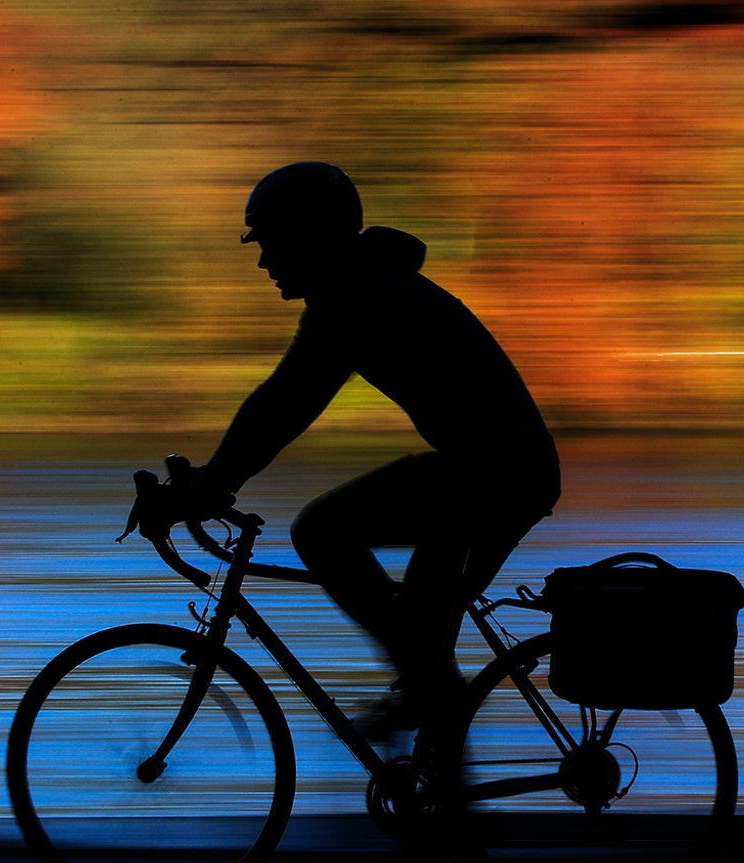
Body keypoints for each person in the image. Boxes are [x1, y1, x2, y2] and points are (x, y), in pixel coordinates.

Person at [187, 162, 561, 739]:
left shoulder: (354, 294)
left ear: (307, 235)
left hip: (492, 474)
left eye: (270, 243)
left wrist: (215, 481)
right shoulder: (367, 283)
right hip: (496, 471)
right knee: (423, 645)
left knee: (322, 531)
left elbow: (288, 400)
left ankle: (429, 692)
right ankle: (436, 746)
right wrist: (217, 476)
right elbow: (285, 402)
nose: (263, 262)